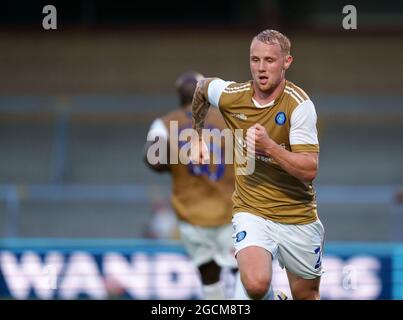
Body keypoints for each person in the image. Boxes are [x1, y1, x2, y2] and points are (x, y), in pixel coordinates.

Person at [190, 29, 325, 300]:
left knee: (307, 296)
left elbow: (310, 169)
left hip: (297, 215)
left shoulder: (299, 106)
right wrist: (197, 136)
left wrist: (270, 148)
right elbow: (202, 87)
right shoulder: (233, 96)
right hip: (252, 210)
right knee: (255, 284)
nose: (261, 68)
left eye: (269, 60)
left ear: (287, 62)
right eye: (255, 60)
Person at [143, 72, 238, 299]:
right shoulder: (228, 117)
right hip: (231, 211)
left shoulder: (164, 123)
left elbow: (151, 159)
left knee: (209, 277)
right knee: (245, 275)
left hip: (192, 213)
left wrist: (176, 160)